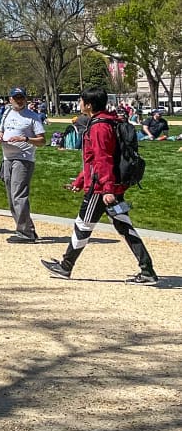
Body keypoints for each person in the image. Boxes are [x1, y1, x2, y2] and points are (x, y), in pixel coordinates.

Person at [42, 88, 158, 285]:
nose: (79, 104)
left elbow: (103, 159)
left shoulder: (99, 127)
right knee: (124, 226)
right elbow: (93, 161)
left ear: (88, 105)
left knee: (83, 225)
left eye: (81, 101)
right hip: (107, 184)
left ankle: (65, 266)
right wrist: (80, 181)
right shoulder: (110, 121)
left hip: (101, 188)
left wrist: (107, 189)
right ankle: (147, 270)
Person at [0, 87, 46, 243]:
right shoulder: (6, 113)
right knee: (12, 197)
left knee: (18, 195)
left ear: (25, 99)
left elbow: (43, 141)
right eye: (15, 98)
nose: (19, 100)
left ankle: (25, 234)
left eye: (21, 97)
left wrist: (25, 139)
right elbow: (1, 132)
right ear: (10, 99)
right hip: (7, 158)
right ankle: (27, 228)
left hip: (23, 158)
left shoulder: (33, 117)